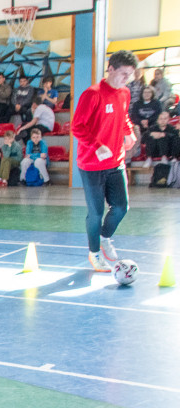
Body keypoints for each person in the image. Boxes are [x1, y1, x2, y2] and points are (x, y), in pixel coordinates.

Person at [73, 50, 139, 271]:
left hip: (116, 162)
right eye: (122, 73)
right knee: (96, 212)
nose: (126, 79)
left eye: (130, 75)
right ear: (110, 69)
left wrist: (128, 131)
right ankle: (94, 254)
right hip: (91, 165)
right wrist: (97, 146)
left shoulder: (125, 93)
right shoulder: (92, 95)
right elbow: (77, 127)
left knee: (121, 207)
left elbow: (124, 116)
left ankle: (105, 237)